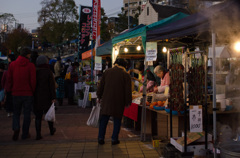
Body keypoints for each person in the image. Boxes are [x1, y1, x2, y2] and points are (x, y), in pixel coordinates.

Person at [97, 58, 132, 145]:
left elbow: (101, 86)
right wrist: (128, 102)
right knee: (117, 120)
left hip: (106, 100)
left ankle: (101, 138)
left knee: (104, 120)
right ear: (124, 66)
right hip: (119, 101)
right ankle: (114, 139)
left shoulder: (107, 72)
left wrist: (99, 96)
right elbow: (128, 90)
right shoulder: (125, 75)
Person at [7, 47, 36, 141]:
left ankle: (16, 127)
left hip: (15, 92)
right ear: (28, 55)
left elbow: (9, 79)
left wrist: (9, 90)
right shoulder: (31, 66)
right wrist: (33, 90)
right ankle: (25, 132)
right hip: (28, 93)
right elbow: (33, 81)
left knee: (16, 113)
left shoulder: (12, 65)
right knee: (27, 114)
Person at [34, 55, 56, 140]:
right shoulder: (48, 71)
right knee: (49, 114)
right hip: (47, 97)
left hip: (37, 97)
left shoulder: (35, 71)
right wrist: (53, 97)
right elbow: (52, 85)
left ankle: (38, 134)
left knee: (38, 117)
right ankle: (51, 130)